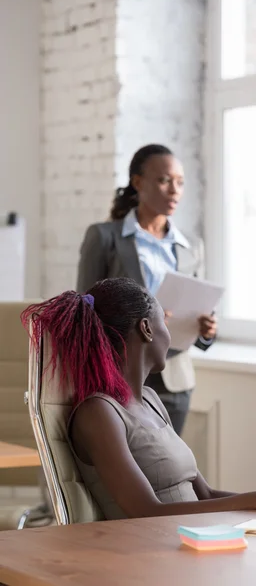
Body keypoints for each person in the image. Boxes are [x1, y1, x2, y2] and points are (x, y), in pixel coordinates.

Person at [21, 278, 256, 521]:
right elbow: (147, 512)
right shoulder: (99, 413)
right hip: (149, 555)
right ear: (146, 329)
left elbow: (204, 496)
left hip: (191, 540)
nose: (170, 334)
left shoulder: (150, 399)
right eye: (165, 321)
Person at [76, 144, 217, 436]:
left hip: (175, 380)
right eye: (164, 180)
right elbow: (84, 311)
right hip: (118, 377)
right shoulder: (104, 237)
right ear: (138, 182)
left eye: (179, 182)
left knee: (169, 471)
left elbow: (199, 307)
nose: (174, 190)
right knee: (125, 473)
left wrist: (207, 331)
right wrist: (143, 321)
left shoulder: (191, 247)